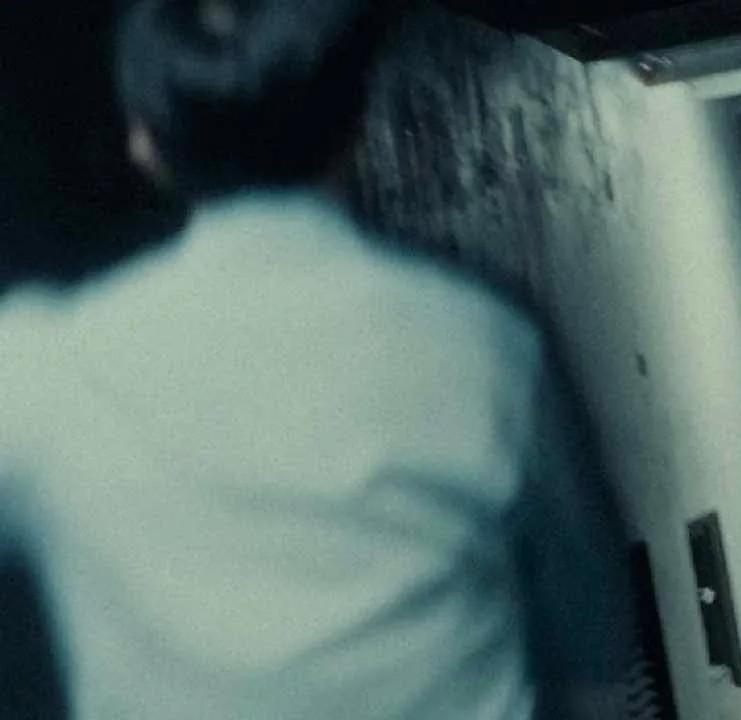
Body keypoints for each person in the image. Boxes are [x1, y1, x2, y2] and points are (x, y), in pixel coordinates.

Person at [0, 1, 633, 718]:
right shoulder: (491, 346)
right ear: (356, 124)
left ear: (146, 144)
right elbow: (599, 652)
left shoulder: (47, 367)